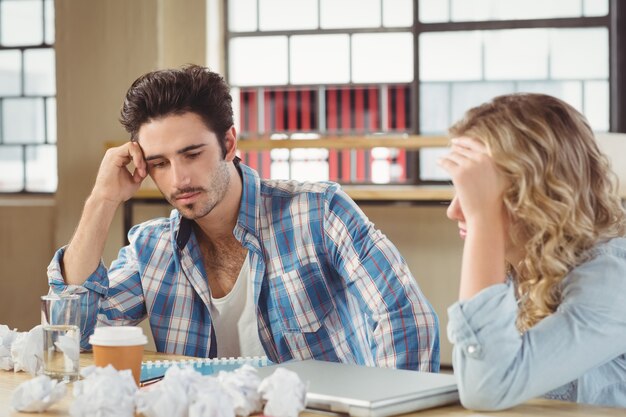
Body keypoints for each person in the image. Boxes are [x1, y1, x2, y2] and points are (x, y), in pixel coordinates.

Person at [47, 64, 439, 371]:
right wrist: (102, 199)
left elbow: (406, 319)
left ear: (229, 143)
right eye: (159, 163)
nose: (178, 179)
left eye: (192, 154)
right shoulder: (152, 247)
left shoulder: (318, 212)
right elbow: (73, 338)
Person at [438, 93, 626, 410]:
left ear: (539, 194)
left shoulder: (612, 281)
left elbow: (486, 388)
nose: (455, 211)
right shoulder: (523, 270)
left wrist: (484, 220)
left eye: (477, 193)